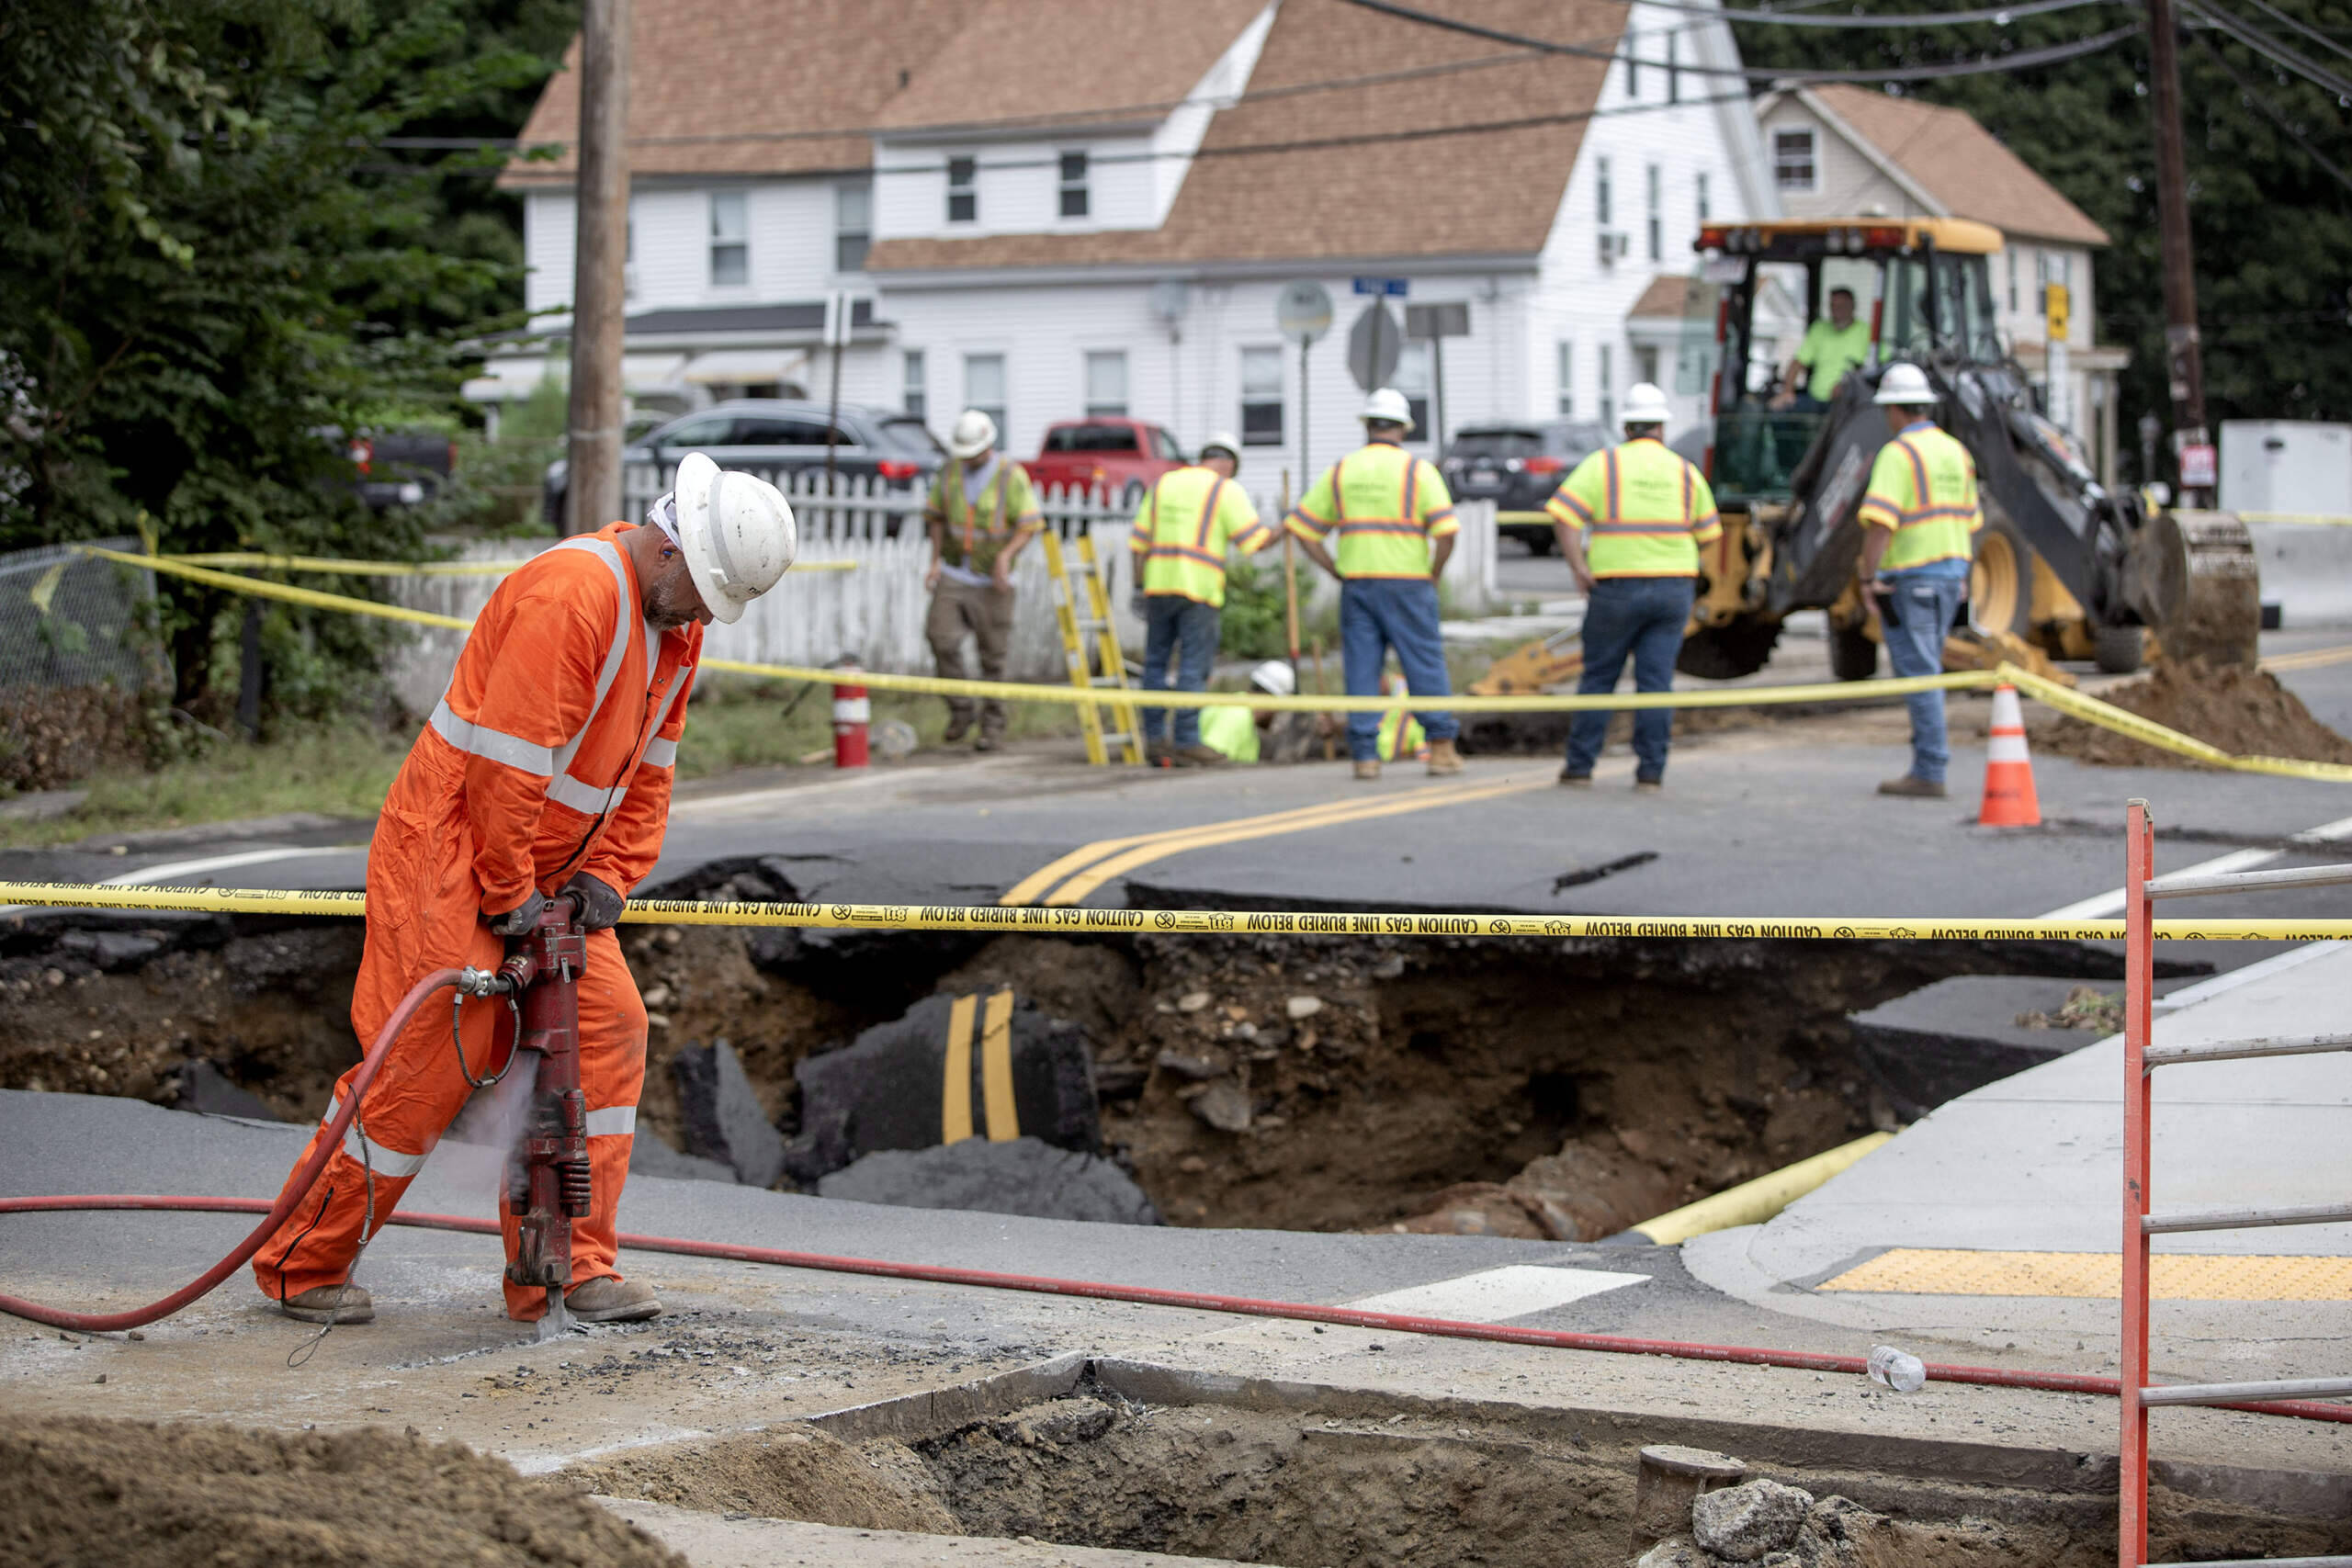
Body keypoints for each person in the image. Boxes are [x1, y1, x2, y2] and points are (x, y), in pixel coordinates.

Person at [253, 454, 797, 1326]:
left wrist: (605, 877)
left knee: (609, 1025)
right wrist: (509, 896)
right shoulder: (574, 595)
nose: (705, 615)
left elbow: (649, 774)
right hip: (455, 850)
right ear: (672, 548)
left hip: (543, 871)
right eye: (704, 592)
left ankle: (569, 1265)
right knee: (432, 1055)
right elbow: (504, 768)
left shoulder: (677, 633)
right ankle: (298, 1260)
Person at [1546, 381, 1720, 791]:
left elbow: (1564, 516)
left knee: (1599, 678)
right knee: (1656, 683)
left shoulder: (1602, 465)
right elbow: (1711, 535)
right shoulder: (1684, 472)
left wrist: (1578, 567)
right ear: (1660, 427)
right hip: (1673, 589)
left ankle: (1580, 767)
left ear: (1626, 427)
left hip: (1614, 588)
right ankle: (1650, 773)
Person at [1285, 388, 1463, 782]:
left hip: (1358, 585)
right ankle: (1440, 749)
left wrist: (1333, 567)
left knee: (1362, 670)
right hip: (1410, 585)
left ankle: (1366, 757)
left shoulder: (1342, 470)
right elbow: (1447, 533)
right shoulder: (1419, 472)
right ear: (1403, 428)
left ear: (1368, 426)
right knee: (1424, 665)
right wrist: (1434, 572)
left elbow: (1302, 528)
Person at [1856, 361, 1981, 798]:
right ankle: (1926, 760)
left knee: (1920, 673)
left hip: (1912, 578)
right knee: (1928, 668)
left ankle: (1930, 768)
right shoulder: (1956, 452)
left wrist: (1868, 577)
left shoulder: (1898, 454)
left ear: (1894, 411)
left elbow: (1880, 523)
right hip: (1948, 576)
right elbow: (1970, 519)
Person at [1127, 431, 1274, 765]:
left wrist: (1138, 587)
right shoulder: (1225, 489)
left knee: (1155, 664)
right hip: (1199, 591)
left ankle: (1153, 738)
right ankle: (1186, 740)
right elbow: (1255, 542)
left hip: (1158, 587)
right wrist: (1287, 527)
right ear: (1229, 463)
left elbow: (1138, 543)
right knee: (1193, 666)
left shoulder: (1164, 484)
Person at [924, 408, 1042, 751]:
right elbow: (936, 518)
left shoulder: (1010, 475)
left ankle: (993, 726)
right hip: (953, 573)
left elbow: (1030, 523)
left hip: (993, 582)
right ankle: (962, 711)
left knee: (994, 657)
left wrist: (1005, 557)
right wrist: (933, 561)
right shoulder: (949, 472)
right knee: (940, 638)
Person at [1771, 287, 1871, 412]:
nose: (1836, 311)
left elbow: (1874, 368)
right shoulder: (1819, 329)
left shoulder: (1867, 333)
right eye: (1833, 306)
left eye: (1841, 306)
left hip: (1850, 402)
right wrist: (1787, 391)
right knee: (1779, 410)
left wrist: (1847, 388)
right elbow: (1797, 363)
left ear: (1852, 306)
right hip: (1816, 400)